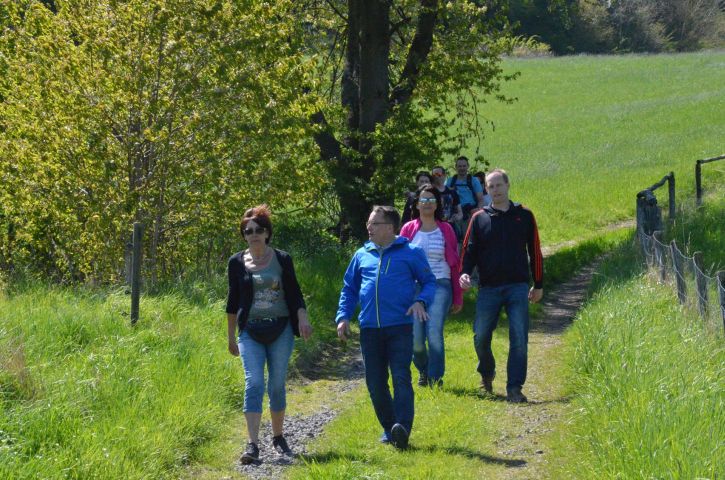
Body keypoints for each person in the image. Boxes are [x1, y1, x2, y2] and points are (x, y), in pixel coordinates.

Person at [336, 206, 436, 449]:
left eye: (374, 223)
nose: (368, 227)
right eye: (369, 223)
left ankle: (403, 426)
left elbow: (429, 282)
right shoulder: (361, 254)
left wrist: (420, 301)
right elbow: (349, 289)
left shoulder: (411, 252)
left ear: (390, 227)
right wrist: (343, 316)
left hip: (400, 327)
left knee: (401, 377)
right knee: (375, 382)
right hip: (370, 329)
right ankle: (390, 427)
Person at [225, 204, 313, 464]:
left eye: (258, 230)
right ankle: (252, 445)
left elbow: (294, 292)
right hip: (250, 330)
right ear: (244, 235)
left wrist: (303, 317)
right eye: (248, 230)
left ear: (267, 233)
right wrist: (230, 337)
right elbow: (232, 303)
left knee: (276, 384)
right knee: (254, 384)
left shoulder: (282, 259)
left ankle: (277, 437)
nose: (253, 234)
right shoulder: (236, 262)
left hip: (280, 328)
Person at [459, 169, 543, 403]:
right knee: (481, 336)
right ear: (485, 189)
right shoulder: (479, 218)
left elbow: (534, 250)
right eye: (490, 186)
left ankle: (514, 387)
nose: (495, 190)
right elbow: (468, 250)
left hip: (517, 286)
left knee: (519, 338)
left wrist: (538, 284)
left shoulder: (524, 215)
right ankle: (487, 371)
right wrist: (464, 273)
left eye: (498, 185)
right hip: (489, 288)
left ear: (507, 186)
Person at [399, 185, 463, 388]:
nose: (427, 204)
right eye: (423, 200)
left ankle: (436, 379)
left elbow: (454, 265)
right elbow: (400, 265)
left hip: (440, 284)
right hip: (414, 288)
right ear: (417, 204)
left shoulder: (446, 229)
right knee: (416, 339)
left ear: (437, 204)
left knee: (433, 331)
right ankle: (423, 370)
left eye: (431, 200)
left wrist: (458, 296)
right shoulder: (408, 229)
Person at [446, 156, 485, 224]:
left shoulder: (474, 180)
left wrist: (478, 211)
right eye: (460, 166)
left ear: (468, 166)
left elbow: (480, 200)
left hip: (471, 213)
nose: (462, 168)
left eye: (464, 166)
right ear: (456, 167)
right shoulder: (450, 181)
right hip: (455, 213)